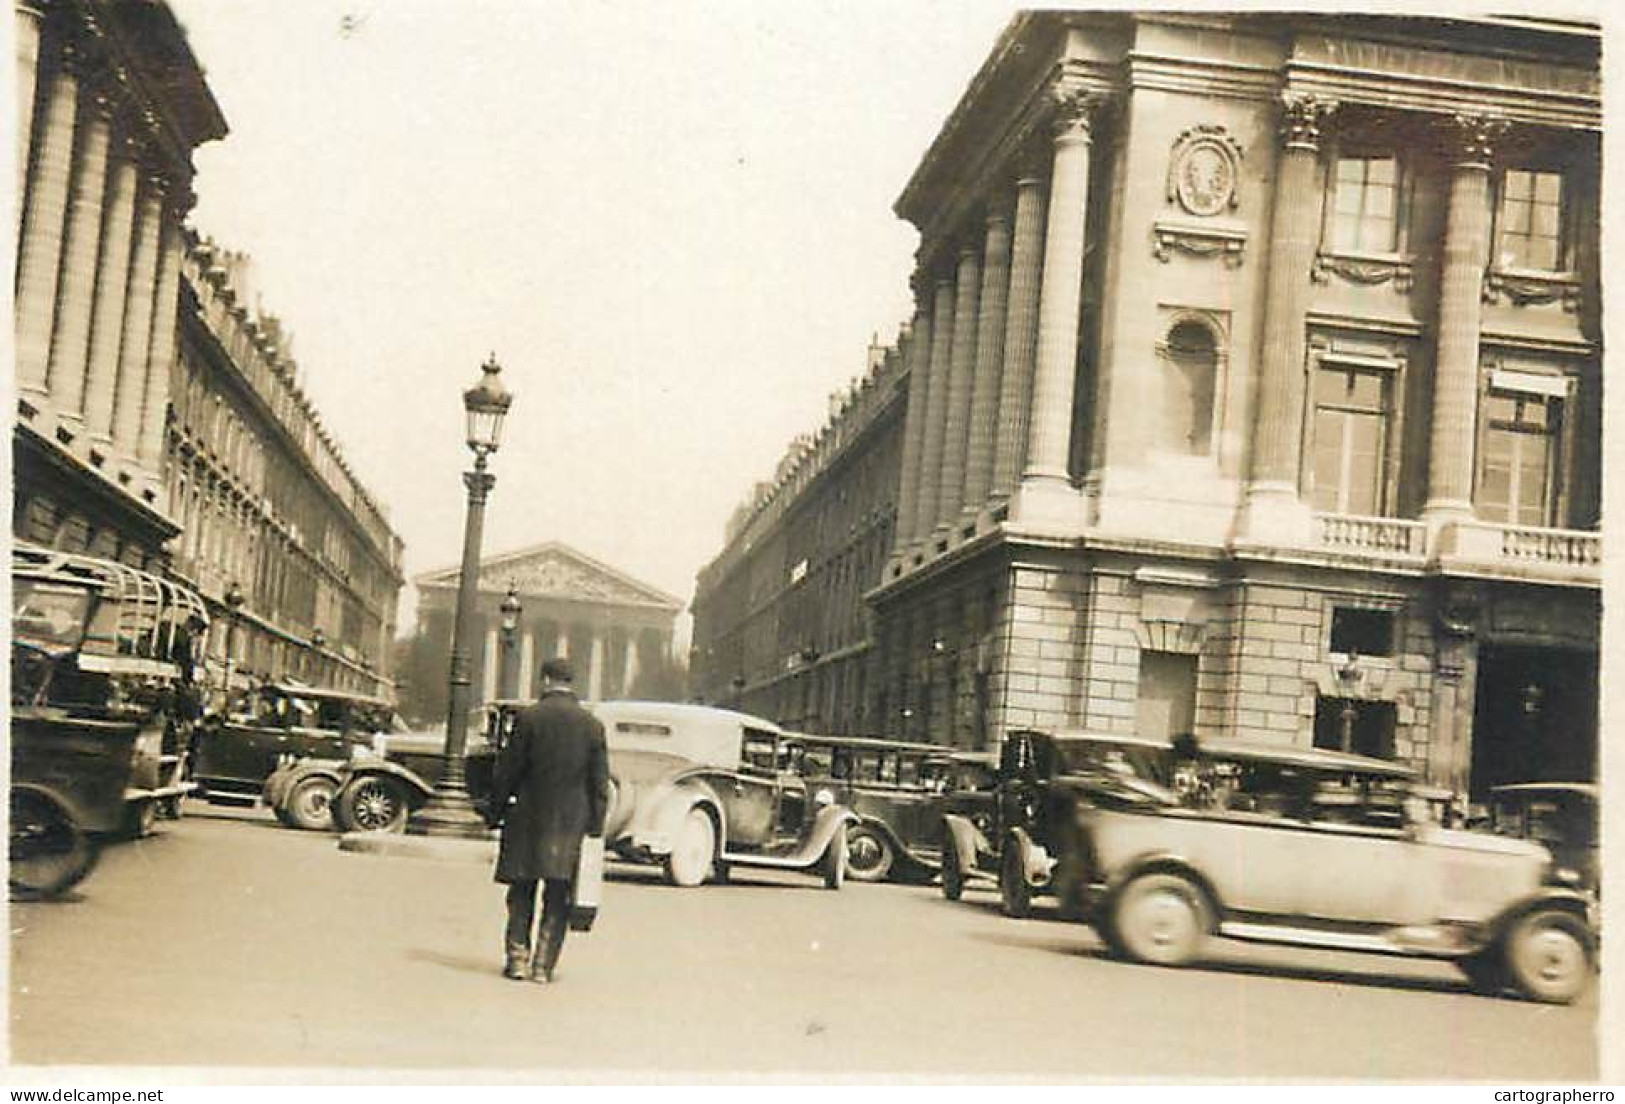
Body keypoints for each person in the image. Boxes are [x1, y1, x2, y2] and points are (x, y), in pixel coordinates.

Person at [485, 657, 609, 984]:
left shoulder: (529, 719)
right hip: (570, 824)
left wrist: (494, 812)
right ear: (571, 682)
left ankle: (517, 960)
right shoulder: (592, 726)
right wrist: (595, 828)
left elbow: (507, 772)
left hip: (528, 817)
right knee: (558, 896)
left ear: (544, 680)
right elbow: (599, 784)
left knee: (521, 891)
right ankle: (543, 966)